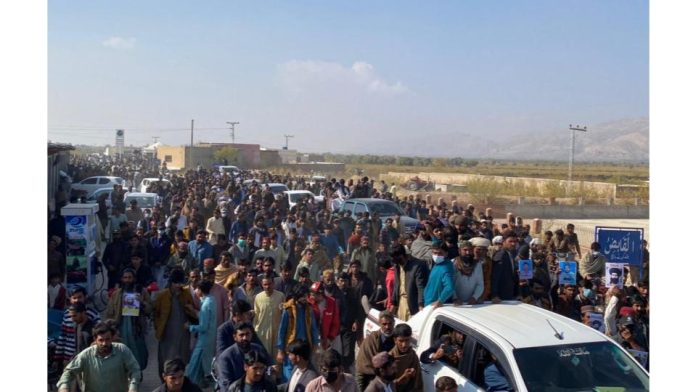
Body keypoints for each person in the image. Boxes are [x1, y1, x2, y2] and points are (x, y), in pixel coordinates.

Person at [57, 321, 141, 392]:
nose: (104, 343)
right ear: (95, 339)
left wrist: (133, 387)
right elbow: (69, 372)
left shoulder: (122, 350)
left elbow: (134, 370)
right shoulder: (86, 355)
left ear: (112, 338)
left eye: (107, 339)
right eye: (101, 340)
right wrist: (64, 387)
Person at [153, 268, 198, 377]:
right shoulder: (162, 296)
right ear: (171, 283)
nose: (178, 286)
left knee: (181, 359)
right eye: (175, 283)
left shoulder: (186, 294)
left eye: (180, 283)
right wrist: (158, 327)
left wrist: (190, 310)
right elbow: (155, 313)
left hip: (182, 333)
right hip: (166, 333)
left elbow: (193, 312)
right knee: (165, 360)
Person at [105, 268, 152, 370]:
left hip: (137, 329)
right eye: (125, 278)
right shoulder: (116, 294)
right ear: (122, 279)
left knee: (140, 354)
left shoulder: (142, 292)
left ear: (134, 279)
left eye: (130, 278)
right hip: (121, 328)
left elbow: (150, 310)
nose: (127, 280)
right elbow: (109, 312)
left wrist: (141, 303)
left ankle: (137, 373)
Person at [277, 284, 321, 382]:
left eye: (306, 296)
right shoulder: (288, 310)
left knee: (304, 375)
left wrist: (316, 344)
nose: (305, 298)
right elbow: (282, 331)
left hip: (305, 347)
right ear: (296, 297)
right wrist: (280, 350)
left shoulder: (309, 310)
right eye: (303, 296)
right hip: (291, 347)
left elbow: (313, 328)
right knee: (288, 375)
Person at [216, 322, 271, 392]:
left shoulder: (258, 349)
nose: (245, 338)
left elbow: (268, 367)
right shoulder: (226, 357)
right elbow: (226, 386)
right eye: (241, 335)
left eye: (247, 334)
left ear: (251, 335)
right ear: (235, 337)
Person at [185, 279, 217, 388]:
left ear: (200, 290)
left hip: (203, 341)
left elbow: (203, 327)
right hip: (210, 339)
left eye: (197, 289)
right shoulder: (212, 300)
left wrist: (189, 327)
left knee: (193, 369)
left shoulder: (205, 305)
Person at [355, 311, 396, 391]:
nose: (387, 327)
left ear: (394, 323)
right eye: (384, 324)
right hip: (368, 377)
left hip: (390, 378)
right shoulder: (371, 340)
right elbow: (362, 367)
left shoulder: (397, 339)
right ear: (380, 324)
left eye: (390, 323)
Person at [389, 244, 428, 321]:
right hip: (401, 303)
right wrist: (393, 304)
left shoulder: (417, 266)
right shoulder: (397, 265)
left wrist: (421, 305)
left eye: (397, 258)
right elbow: (396, 286)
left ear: (403, 255)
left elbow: (420, 287)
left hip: (411, 304)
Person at [254, 273, 286, 356]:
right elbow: (256, 315)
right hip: (262, 333)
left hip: (277, 333)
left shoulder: (280, 296)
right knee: (264, 357)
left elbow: (284, 314)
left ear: (273, 284)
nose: (267, 286)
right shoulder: (258, 297)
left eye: (269, 284)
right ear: (262, 285)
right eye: (265, 284)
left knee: (277, 359)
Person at [389, 324, 423, 392]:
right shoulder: (389, 358)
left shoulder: (413, 355)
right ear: (395, 340)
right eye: (401, 341)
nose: (404, 345)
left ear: (410, 339)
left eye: (407, 340)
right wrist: (403, 378)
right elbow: (386, 385)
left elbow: (418, 379)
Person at [490, 232, 519, 302]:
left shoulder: (510, 253)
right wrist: (494, 295)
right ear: (503, 242)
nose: (513, 244)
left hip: (509, 294)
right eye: (510, 241)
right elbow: (495, 277)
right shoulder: (500, 255)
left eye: (515, 241)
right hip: (501, 297)